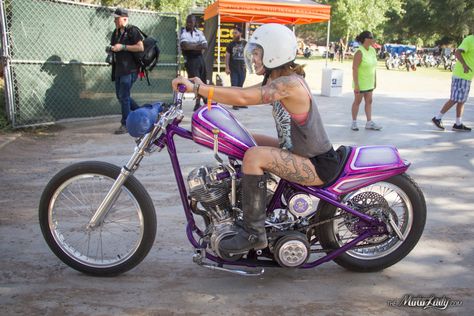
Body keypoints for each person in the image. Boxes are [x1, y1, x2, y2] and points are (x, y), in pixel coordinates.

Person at [172, 24, 338, 255]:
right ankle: (250, 203)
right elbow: (238, 90)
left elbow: (242, 97)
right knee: (246, 139)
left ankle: (253, 233)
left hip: (317, 164)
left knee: (254, 156)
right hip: (299, 153)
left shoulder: (288, 84)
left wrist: (199, 89)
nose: (254, 58)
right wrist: (203, 86)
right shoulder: (278, 80)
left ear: (274, 53)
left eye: (258, 53)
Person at [109, 8, 144, 134]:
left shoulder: (132, 30)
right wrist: (112, 49)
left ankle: (125, 124)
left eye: (116, 18)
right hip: (119, 69)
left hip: (130, 69)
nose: (114, 20)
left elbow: (140, 47)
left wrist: (123, 47)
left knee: (124, 97)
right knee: (121, 96)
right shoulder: (116, 32)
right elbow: (115, 47)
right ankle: (141, 113)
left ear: (124, 18)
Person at [432, 33, 473, 132]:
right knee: (455, 99)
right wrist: (464, 65)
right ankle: (437, 118)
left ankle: (458, 124)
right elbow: (457, 53)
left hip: (467, 76)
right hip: (461, 75)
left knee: (461, 100)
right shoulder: (470, 40)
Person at [350, 31, 382, 131]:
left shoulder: (372, 50)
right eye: (371, 37)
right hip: (360, 82)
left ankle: (369, 123)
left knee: (369, 101)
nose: (374, 39)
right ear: (366, 39)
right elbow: (354, 68)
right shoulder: (359, 52)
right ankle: (354, 123)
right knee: (357, 101)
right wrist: (356, 85)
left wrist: (375, 80)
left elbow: (374, 67)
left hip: (369, 81)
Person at [180, 15, 208, 111]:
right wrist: (197, 45)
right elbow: (184, 45)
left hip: (200, 58)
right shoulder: (183, 32)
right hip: (190, 59)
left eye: (191, 22)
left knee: (202, 79)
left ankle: (203, 98)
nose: (189, 23)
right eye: (187, 21)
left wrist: (191, 45)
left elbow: (205, 45)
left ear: (195, 23)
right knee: (195, 80)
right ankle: (199, 102)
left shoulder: (199, 32)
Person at [225, 26, 248, 110]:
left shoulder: (245, 43)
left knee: (240, 86)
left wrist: (248, 64)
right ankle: (234, 103)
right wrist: (227, 67)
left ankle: (240, 103)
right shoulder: (231, 44)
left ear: (240, 33)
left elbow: (249, 55)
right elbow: (227, 56)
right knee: (234, 86)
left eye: (235, 33)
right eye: (233, 33)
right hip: (233, 68)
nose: (233, 35)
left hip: (242, 68)